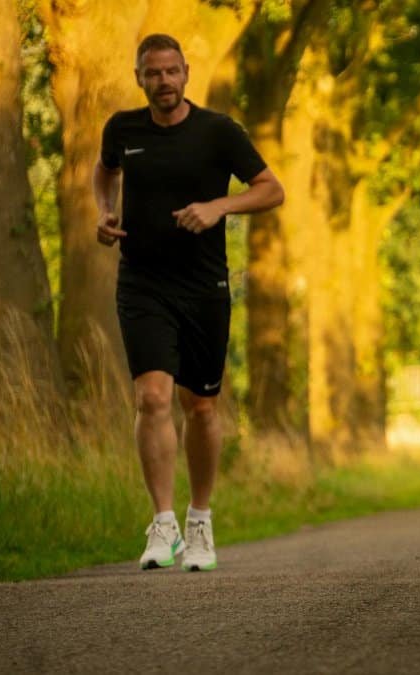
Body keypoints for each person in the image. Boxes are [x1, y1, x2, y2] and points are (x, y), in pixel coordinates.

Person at [95, 34, 284, 571]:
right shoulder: (122, 129)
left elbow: (272, 189)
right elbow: (104, 171)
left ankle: (200, 519)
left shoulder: (219, 132)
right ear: (139, 78)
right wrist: (104, 212)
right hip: (142, 282)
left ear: (186, 73)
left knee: (200, 407)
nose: (164, 82)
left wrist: (219, 207)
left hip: (203, 287)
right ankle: (163, 524)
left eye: (172, 71)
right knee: (151, 399)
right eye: (152, 73)